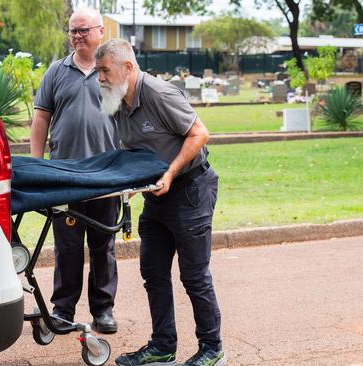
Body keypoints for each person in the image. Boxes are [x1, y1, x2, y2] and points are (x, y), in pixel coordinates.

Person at [95, 38, 227, 366]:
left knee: (194, 276)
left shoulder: (159, 94)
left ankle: (213, 349)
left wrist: (168, 174)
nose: (100, 78)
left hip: (190, 189)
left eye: (104, 71)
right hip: (157, 197)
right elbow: (130, 150)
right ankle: (163, 346)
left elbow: (200, 134)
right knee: (153, 272)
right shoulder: (115, 101)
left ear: (127, 67)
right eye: (98, 72)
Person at [30, 7, 119, 334]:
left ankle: (103, 310)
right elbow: (40, 119)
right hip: (64, 176)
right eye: (73, 31)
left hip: (105, 175)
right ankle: (62, 309)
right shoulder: (56, 71)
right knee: (67, 246)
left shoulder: (113, 70)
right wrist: (38, 167)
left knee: (103, 245)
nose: (77, 36)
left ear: (100, 32)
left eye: (84, 30)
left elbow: (131, 117)